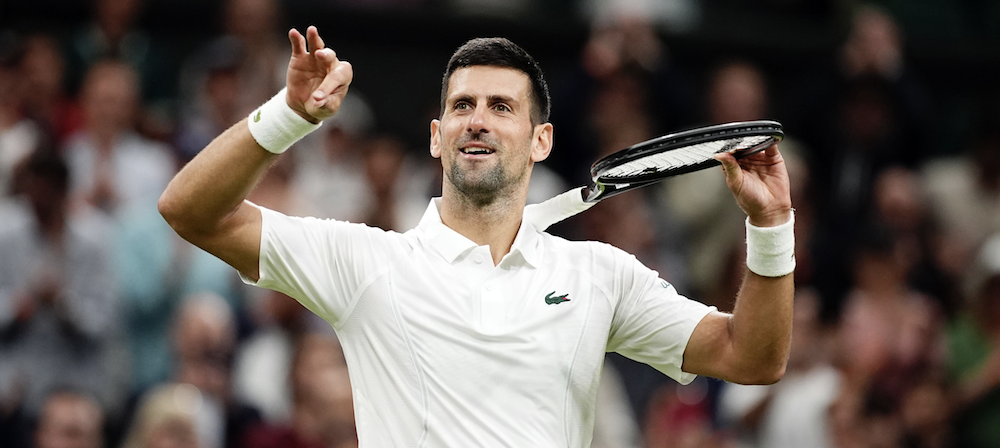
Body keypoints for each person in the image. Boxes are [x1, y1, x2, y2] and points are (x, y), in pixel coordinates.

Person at [158, 26, 794, 446]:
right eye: (462, 106)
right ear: (437, 137)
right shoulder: (366, 262)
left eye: (501, 107)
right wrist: (289, 116)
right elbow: (190, 210)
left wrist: (770, 228)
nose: (478, 122)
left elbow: (751, 357)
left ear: (541, 140)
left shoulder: (601, 274)